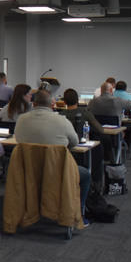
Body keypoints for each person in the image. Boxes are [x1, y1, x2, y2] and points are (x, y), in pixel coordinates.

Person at [14, 88, 91, 226]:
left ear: (34, 104)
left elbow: (18, 139)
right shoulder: (63, 121)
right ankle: (78, 214)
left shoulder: (21, 120)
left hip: (28, 171)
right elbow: (74, 142)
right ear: (51, 105)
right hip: (56, 172)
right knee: (85, 175)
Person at [59, 88, 106, 181]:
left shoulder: (60, 115)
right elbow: (101, 130)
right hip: (83, 150)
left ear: (64, 102)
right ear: (77, 100)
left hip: (65, 150)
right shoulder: (85, 113)